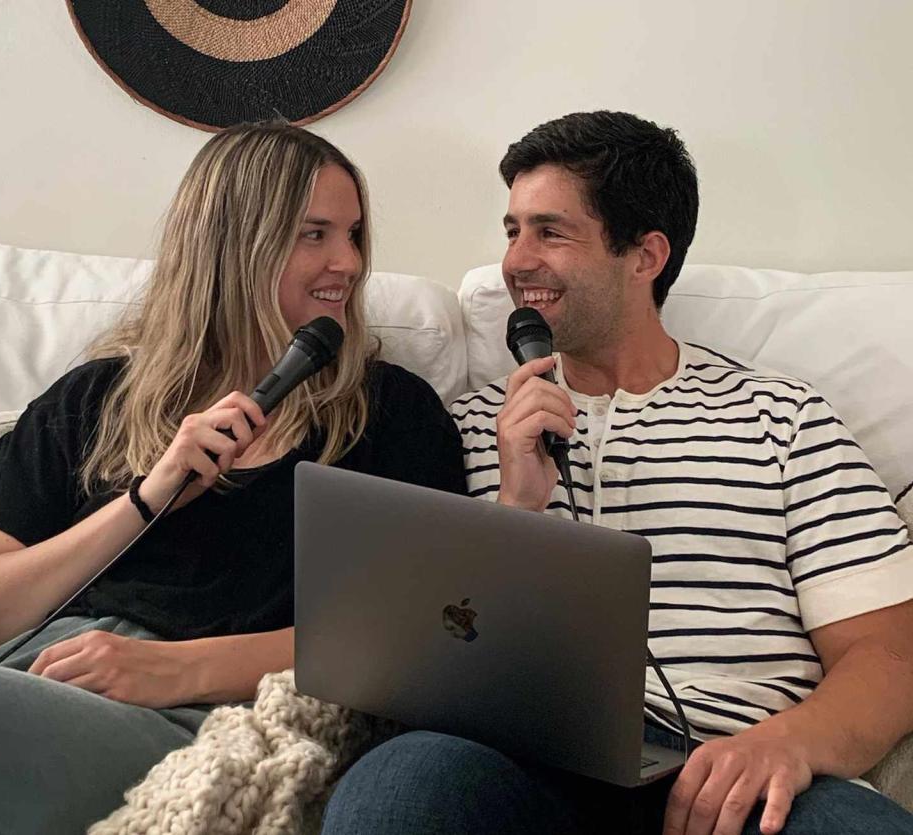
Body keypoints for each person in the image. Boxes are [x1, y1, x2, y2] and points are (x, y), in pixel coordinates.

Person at [321, 112, 913, 834]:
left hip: (735, 770)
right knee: (399, 789)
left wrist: (783, 745)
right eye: (512, 230)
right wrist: (515, 508)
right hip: (516, 763)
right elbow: (413, 659)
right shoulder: (465, 425)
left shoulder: (782, 417)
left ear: (645, 255)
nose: (517, 260)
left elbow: (885, 652)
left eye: (551, 231)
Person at [0, 122, 466, 834]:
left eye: (353, 234)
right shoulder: (92, 399)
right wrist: (147, 495)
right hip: (29, 671)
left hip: (200, 713)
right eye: (313, 233)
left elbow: (412, 639)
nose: (346, 262)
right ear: (232, 244)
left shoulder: (391, 416)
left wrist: (173, 668)